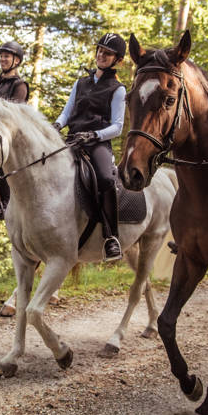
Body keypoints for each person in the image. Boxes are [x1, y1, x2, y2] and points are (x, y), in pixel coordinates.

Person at [53, 33, 127, 261]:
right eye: (100, 51)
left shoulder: (118, 90)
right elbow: (68, 111)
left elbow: (118, 126)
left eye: (108, 53)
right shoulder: (81, 82)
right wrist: (56, 124)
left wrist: (94, 134)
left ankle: (110, 236)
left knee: (105, 178)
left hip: (97, 143)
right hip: (73, 138)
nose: (101, 55)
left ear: (118, 60)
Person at [0, 41, 29, 219]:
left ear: (16, 61)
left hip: (7, 133)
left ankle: (6, 202)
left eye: (6, 56)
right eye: (1, 56)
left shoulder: (19, 86)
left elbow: (13, 115)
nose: (2, 59)